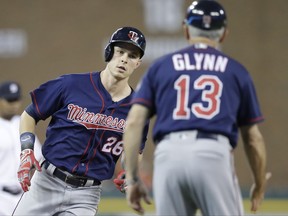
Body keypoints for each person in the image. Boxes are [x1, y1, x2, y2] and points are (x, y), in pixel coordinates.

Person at [123, 1, 270, 215]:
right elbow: (253, 138)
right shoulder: (236, 71)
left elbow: (134, 122)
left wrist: (132, 179)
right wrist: (259, 182)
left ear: (186, 29)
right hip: (212, 153)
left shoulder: (161, 66)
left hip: (168, 155)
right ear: (224, 34)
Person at [12, 26, 148, 216]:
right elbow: (30, 114)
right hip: (45, 183)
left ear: (138, 63)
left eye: (132, 55)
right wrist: (26, 151)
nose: (125, 58)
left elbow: (134, 150)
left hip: (86, 195)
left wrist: (131, 172)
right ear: (109, 52)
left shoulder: (137, 109)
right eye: (120, 52)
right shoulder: (71, 85)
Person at [0, 81, 42, 216]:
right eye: (9, 100)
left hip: (24, 196)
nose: (14, 105)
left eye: (16, 100)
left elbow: (39, 158)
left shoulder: (23, 123)